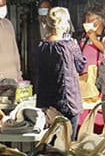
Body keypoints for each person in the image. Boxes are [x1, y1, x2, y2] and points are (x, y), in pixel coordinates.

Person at [36, 7, 86, 139]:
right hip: (68, 103)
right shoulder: (69, 45)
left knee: (51, 145)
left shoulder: (42, 46)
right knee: (68, 145)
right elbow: (81, 66)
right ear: (65, 24)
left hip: (48, 105)